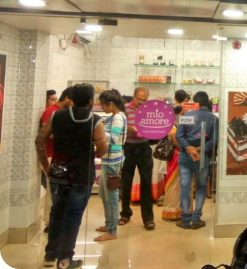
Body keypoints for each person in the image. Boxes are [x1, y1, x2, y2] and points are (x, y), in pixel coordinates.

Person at [35, 83, 107, 269]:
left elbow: (40, 140)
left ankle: (50, 255)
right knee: (73, 217)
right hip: (82, 175)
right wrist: (97, 150)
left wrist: (45, 164)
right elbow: (102, 149)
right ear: (90, 101)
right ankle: (65, 260)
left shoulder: (56, 116)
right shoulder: (95, 120)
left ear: (72, 99)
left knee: (57, 212)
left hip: (58, 172)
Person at [176, 91, 219, 230]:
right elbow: (214, 140)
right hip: (202, 157)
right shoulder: (213, 118)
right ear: (207, 102)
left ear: (195, 102)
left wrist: (188, 148)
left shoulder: (187, 116)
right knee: (201, 187)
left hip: (185, 156)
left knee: (185, 187)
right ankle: (196, 219)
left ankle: (185, 220)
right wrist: (198, 149)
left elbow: (179, 135)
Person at [119, 87, 156, 230]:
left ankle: (148, 219)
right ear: (133, 97)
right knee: (126, 182)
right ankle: (125, 214)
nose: (142, 102)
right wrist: (127, 128)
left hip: (144, 149)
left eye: (144, 100)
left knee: (146, 183)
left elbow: (155, 127)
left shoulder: (150, 110)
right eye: (139, 99)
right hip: (129, 148)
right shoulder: (124, 109)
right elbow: (117, 126)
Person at [39, 87, 73, 233]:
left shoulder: (60, 112)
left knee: (57, 188)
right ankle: (49, 222)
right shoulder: (51, 112)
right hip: (49, 155)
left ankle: (55, 220)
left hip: (56, 155)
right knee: (52, 189)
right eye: (73, 101)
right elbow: (45, 134)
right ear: (67, 99)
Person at [94, 89, 127, 242]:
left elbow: (113, 138)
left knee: (112, 197)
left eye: (103, 105)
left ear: (111, 104)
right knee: (104, 194)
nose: (102, 108)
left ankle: (112, 230)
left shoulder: (118, 118)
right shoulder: (114, 117)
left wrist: (99, 133)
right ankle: (109, 225)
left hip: (113, 161)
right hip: (108, 160)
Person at [162, 105, 194, 221]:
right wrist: (190, 147)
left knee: (185, 184)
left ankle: (184, 211)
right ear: (177, 115)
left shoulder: (186, 126)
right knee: (174, 184)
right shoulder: (172, 127)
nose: (186, 116)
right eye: (183, 114)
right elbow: (176, 143)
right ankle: (172, 211)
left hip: (186, 156)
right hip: (176, 157)